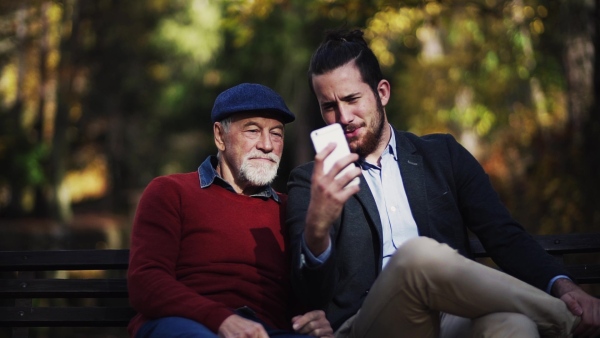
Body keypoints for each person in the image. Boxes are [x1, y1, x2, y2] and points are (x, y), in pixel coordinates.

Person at [286, 29, 600, 337]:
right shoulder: (312, 182)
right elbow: (307, 294)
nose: (343, 116)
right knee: (416, 256)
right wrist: (317, 226)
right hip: (369, 323)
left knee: (514, 326)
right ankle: (569, 321)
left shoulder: (441, 155)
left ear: (382, 92)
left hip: (451, 314)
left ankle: (565, 315)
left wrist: (565, 286)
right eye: (329, 106)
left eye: (352, 99)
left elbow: (504, 235)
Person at [128, 83, 334, 338]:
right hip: (185, 325)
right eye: (252, 130)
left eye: (277, 134)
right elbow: (146, 282)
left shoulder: (289, 208)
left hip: (265, 332)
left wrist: (315, 318)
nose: (267, 145)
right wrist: (220, 319)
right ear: (219, 136)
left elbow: (302, 293)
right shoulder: (171, 192)